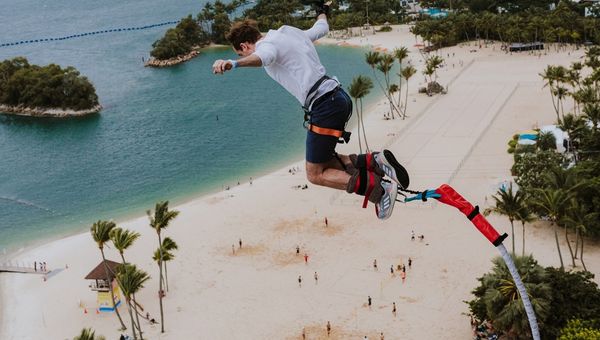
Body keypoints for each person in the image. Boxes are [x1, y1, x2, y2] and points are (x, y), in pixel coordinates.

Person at [212, 1, 408, 220]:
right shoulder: (289, 34)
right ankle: (374, 161)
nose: (242, 56)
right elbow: (321, 28)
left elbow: (262, 57)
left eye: (240, 53)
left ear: (245, 46)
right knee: (324, 163)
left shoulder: (266, 47)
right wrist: (321, 11)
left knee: (315, 174)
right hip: (338, 97)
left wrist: (233, 64)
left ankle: (378, 190)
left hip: (324, 105)